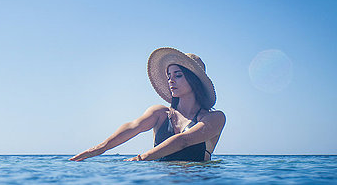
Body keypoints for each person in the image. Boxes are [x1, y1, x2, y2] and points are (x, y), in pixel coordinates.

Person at [70, 47, 226, 162]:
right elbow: (133, 127)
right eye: (169, 76)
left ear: (194, 80)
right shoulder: (160, 113)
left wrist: (141, 158)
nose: (171, 80)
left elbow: (183, 141)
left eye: (178, 75)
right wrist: (100, 148)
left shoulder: (214, 118)